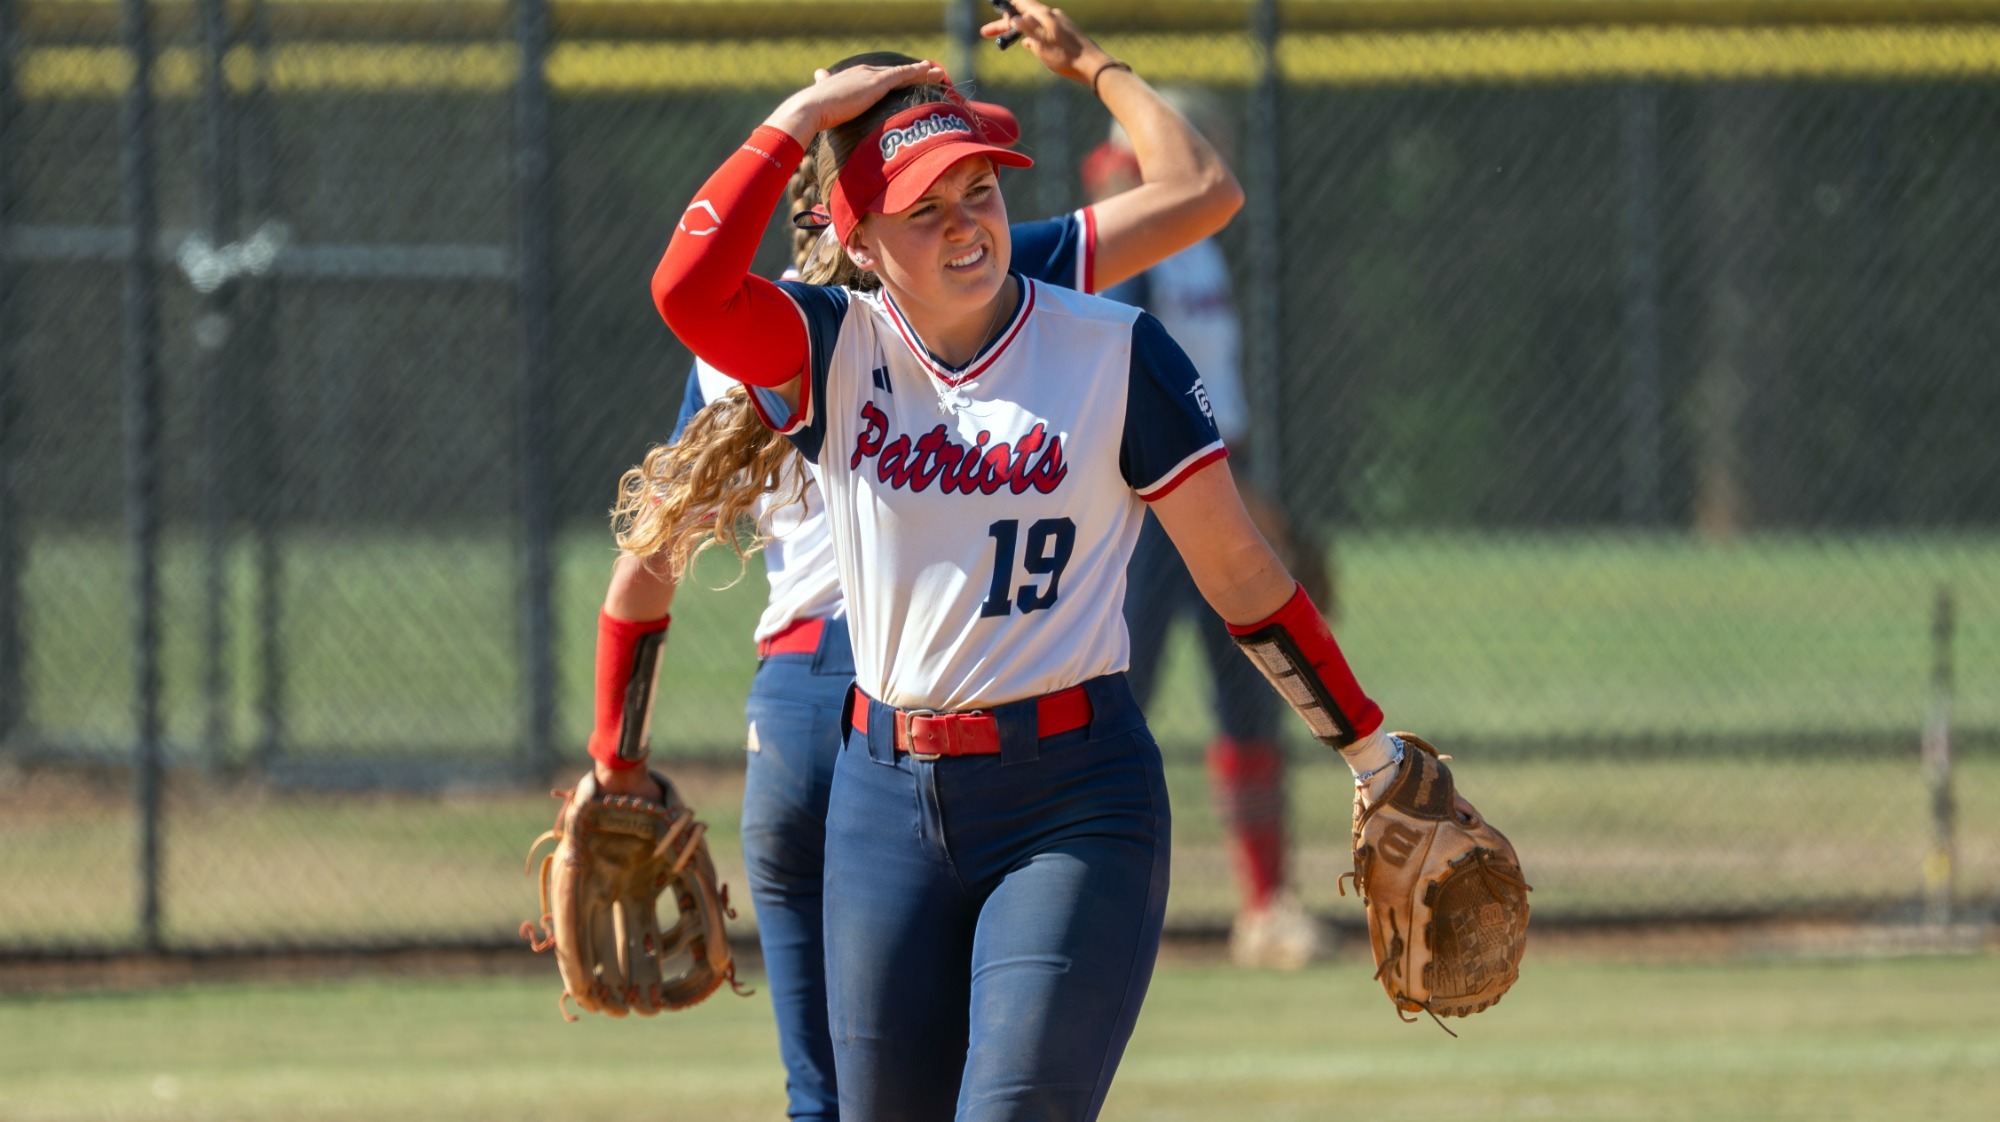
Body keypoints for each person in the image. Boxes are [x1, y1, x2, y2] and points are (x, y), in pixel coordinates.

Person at [646, 17, 1414, 1120]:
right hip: (881, 800)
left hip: (1072, 796)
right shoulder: (832, 348)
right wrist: (796, 121)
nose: (965, 227)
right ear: (860, 242)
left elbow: (1242, 575)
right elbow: (688, 293)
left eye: (980, 194)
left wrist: (1371, 752)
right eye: (924, 210)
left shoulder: (1109, 348)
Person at [1081, 90, 1338, 970]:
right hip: (1153, 504)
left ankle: (1265, 906)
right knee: (1115, 708)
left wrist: (1253, 492)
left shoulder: (1194, 242)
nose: (1214, 165)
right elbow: (1124, 390)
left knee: (1252, 694)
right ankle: (1088, 902)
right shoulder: (1127, 235)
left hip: (1220, 484)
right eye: (1201, 148)